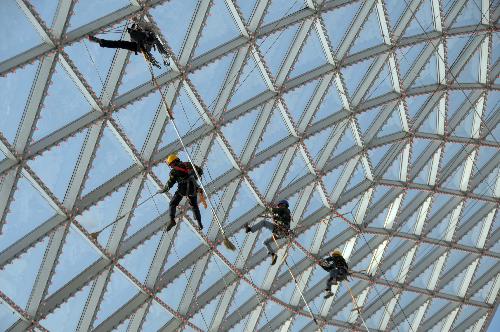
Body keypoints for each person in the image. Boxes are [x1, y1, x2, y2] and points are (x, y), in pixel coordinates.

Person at [88, 21, 168, 68]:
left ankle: (158, 56)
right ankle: (101, 42)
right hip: (140, 46)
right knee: (120, 44)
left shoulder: (145, 34)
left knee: (121, 44)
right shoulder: (140, 33)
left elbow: (154, 41)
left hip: (142, 45)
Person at [160, 154, 203, 231]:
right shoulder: (188, 164)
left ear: (174, 162)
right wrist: (193, 176)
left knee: (173, 203)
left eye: (171, 165)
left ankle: (172, 220)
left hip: (182, 189)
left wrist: (165, 189)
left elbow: (170, 182)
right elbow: (200, 171)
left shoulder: (174, 171)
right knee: (194, 206)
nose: (171, 167)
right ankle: (199, 223)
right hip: (193, 188)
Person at [245, 200, 291, 265]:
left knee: (264, 222)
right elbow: (277, 215)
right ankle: (273, 254)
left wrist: (269, 207)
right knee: (265, 242)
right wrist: (274, 217)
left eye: (280, 205)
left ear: (284, 205)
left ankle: (250, 229)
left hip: (280, 230)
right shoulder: (283, 213)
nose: (279, 206)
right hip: (279, 233)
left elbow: (275, 210)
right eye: (279, 205)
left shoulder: (285, 210)